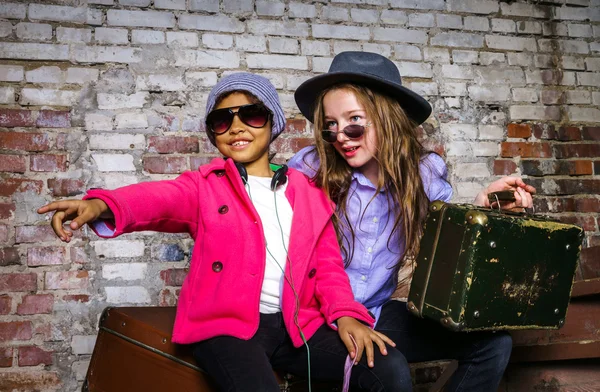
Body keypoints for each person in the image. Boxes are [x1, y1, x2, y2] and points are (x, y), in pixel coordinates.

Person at [37, 73, 414, 392]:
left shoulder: (309, 191)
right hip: (230, 328)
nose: (236, 127)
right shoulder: (206, 187)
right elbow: (158, 199)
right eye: (222, 120)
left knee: (388, 368)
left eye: (251, 115)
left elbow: (327, 266)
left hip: (299, 326)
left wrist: (346, 316)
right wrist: (101, 205)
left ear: (272, 123)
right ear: (213, 134)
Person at [289, 51, 536, 391]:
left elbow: (443, 234)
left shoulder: (423, 173)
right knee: (392, 371)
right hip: (322, 317)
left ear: (388, 118)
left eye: (354, 122)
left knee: (493, 345)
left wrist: (485, 205)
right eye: (330, 126)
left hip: (382, 311)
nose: (341, 136)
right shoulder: (310, 169)